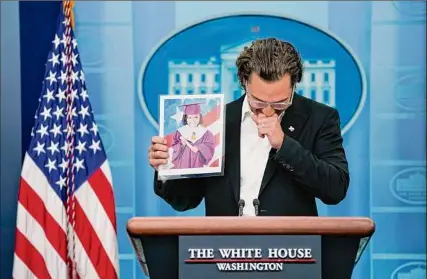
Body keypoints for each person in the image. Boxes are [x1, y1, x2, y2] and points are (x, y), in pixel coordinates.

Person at [148, 38, 349, 217]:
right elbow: (185, 201)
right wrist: (166, 168)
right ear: (244, 82)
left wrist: (284, 145)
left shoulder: (320, 117)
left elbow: (335, 189)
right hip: (224, 249)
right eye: (259, 102)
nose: (269, 111)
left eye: (280, 103)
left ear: (294, 85)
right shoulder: (215, 121)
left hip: (293, 250)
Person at [168, 102, 215, 169]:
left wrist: (199, 147)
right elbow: (174, 145)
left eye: (196, 117)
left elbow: (210, 146)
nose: (192, 120)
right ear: (185, 118)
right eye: (189, 117)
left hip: (198, 163)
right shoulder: (180, 132)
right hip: (183, 162)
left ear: (200, 117)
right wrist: (181, 143)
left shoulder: (206, 133)